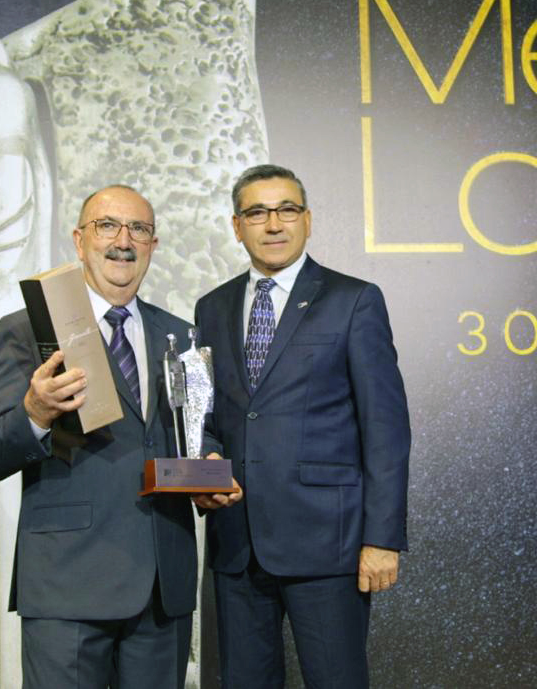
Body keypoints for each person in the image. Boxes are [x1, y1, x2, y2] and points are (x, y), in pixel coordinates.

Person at [0, 185, 232, 687]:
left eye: (139, 229)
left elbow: (199, 433)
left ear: (153, 244)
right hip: (67, 583)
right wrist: (35, 412)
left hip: (162, 584)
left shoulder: (181, 334)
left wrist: (208, 465)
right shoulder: (28, 329)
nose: (123, 240)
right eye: (107, 225)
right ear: (79, 239)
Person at [193, 164, 411, 689]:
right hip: (237, 545)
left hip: (328, 547)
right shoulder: (211, 307)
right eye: (257, 213)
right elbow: (205, 414)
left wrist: (382, 538)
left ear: (307, 220)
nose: (274, 224)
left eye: (286, 210)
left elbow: (386, 429)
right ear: (236, 226)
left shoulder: (354, 300)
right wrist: (205, 460)